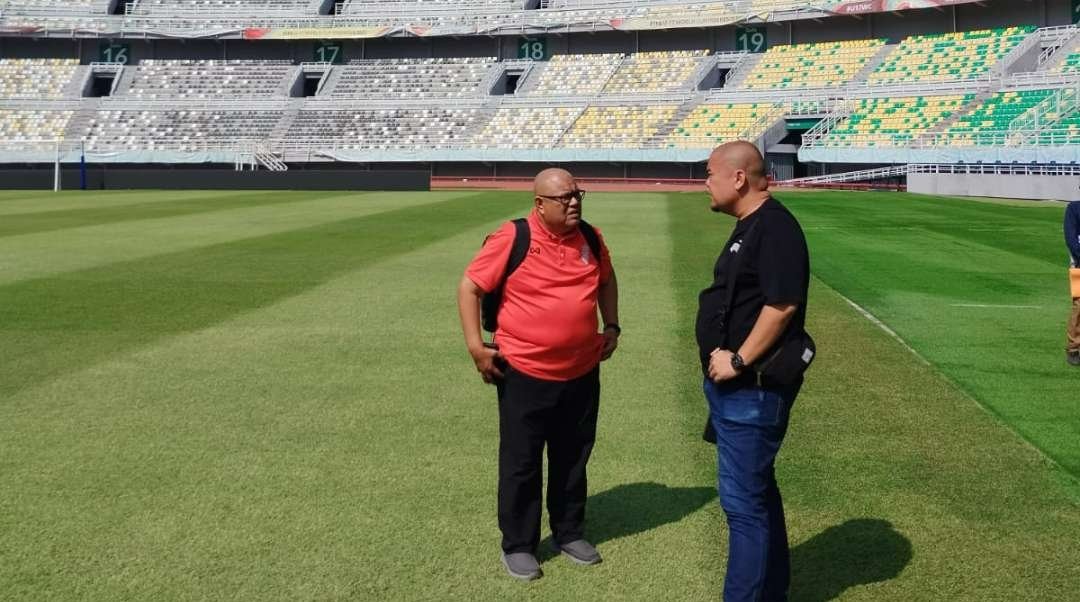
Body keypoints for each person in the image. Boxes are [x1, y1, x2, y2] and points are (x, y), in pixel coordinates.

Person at [456, 168, 620, 581]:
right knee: (521, 463)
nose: (573, 203)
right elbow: (470, 287)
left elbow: (607, 280)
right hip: (524, 372)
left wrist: (612, 326)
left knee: (572, 457)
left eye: (578, 194)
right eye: (563, 197)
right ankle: (518, 543)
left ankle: (568, 532)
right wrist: (476, 346)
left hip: (581, 371)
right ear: (539, 204)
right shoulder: (514, 238)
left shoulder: (591, 237)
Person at [696, 141, 809, 601]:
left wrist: (739, 359)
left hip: (752, 389)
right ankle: (772, 591)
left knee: (744, 508)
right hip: (737, 391)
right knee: (758, 495)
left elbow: (781, 305)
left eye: (709, 173)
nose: (705, 181)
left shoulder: (774, 226)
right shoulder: (752, 223)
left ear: (738, 178)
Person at [1065, 200, 1080, 366]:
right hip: (1079, 262)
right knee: (1079, 305)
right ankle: (1074, 347)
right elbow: (1070, 237)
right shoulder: (1074, 209)